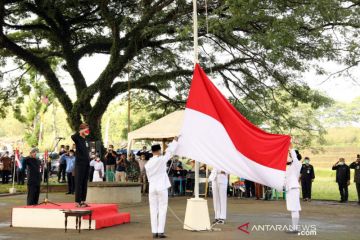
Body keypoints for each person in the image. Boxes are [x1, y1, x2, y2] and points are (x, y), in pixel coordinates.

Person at [145, 138, 178, 239]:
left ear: (152, 151)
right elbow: (170, 151)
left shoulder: (148, 164)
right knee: (162, 208)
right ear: (159, 151)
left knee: (153, 209)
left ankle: (154, 231)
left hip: (152, 188)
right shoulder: (161, 159)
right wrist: (175, 141)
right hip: (161, 187)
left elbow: (148, 177)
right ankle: (160, 231)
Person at [71, 123, 91, 208]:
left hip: (86, 163)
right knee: (78, 182)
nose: (87, 131)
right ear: (82, 129)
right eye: (86, 129)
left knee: (84, 183)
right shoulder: (77, 138)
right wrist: (81, 131)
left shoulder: (85, 140)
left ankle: (83, 201)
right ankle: (77, 201)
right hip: (79, 164)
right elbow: (73, 136)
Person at [285, 146, 302, 233]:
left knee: (295, 209)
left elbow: (294, 157)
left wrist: (290, 149)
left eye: (289, 155)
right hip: (290, 189)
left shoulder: (297, 164)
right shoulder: (289, 166)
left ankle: (295, 228)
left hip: (294, 188)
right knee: (293, 209)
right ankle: (294, 227)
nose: (287, 156)